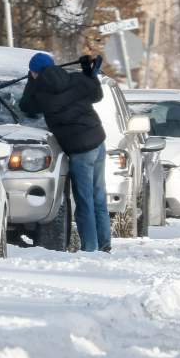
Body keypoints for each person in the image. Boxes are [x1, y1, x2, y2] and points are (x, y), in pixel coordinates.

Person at [18, 52, 110, 252]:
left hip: (79, 150)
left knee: (84, 201)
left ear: (34, 73)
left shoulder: (40, 93)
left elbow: (26, 107)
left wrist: (31, 82)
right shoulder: (74, 78)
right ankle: (104, 244)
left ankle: (91, 249)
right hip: (98, 141)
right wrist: (89, 73)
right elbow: (97, 95)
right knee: (99, 197)